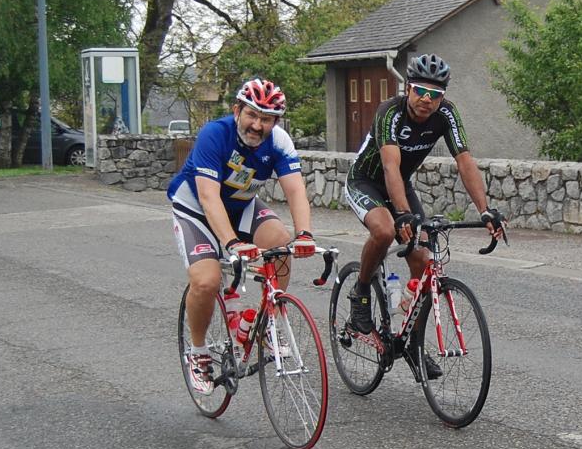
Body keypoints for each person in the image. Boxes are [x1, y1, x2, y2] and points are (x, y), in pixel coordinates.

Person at [342, 54, 505, 351]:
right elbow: (390, 166)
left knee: (423, 259)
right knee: (385, 231)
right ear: (408, 88)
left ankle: (412, 344)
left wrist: (485, 210)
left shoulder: (447, 115)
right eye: (420, 91)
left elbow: (465, 161)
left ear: (442, 97)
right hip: (365, 182)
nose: (426, 100)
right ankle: (361, 293)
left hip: (400, 185)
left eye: (435, 95)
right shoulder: (389, 112)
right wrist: (403, 214)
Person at [168, 77, 316, 393]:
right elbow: (208, 197)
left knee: (280, 244)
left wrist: (304, 235)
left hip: (241, 205)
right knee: (206, 281)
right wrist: (233, 244)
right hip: (195, 206)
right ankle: (198, 352)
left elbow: (295, 191)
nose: (256, 124)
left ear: (275, 122)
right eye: (251, 114)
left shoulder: (279, 142)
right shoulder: (214, 135)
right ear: (237, 111)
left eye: (265, 119)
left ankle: (266, 322)